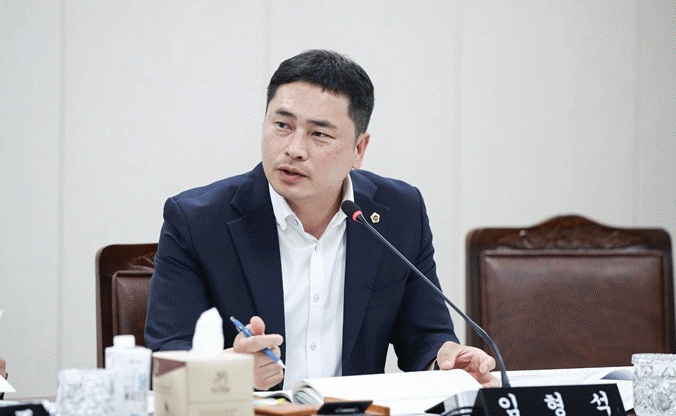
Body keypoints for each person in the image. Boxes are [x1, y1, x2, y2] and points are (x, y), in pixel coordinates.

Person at [145, 49, 498, 391]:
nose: (294, 148)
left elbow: (424, 335)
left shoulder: (399, 213)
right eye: (282, 125)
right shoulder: (197, 221)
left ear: (359, 149)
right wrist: (230, 370)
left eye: (319, 134)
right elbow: (166, 360)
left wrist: (444, 360)